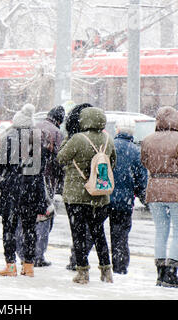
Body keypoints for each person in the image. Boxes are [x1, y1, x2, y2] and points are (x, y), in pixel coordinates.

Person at [141, 106, 178, 288]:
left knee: (161, 231)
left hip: (154, 189)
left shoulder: (148, 139)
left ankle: (160, 273)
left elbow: (145, 162)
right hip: (177, 190)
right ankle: (171, 273)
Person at [57, 106, 116, 284]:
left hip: (77, 195)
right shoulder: (108, 139)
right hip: (100, 195)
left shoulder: (77, 139)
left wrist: (68, 138)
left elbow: (61, 158)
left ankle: (82, 272)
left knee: (79, 234)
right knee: (99, 234)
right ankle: (106, 271)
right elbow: (112, 163)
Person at [0, 103, 48, 277]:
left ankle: (10, 265)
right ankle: (28, 265)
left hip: (13, 187)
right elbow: (43, 166)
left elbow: (1, 166)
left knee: (9, 227)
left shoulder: (9, 137)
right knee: (29, 228)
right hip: (33, 187)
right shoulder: (38, 138)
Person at [14, 105, 65, 267]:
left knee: (25, 216)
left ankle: (23, 251)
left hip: (26, 178)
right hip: (46, 181)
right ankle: (38, 254)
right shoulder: (57, 133)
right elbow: (59, 160)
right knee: (44, 216)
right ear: (60, 120)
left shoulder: (35, 127)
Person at [104, 117, 147, 274]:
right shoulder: (136, 151)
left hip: (104, 196)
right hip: (124, 201)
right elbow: (142, 179)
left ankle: (78, 260)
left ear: (117, 130)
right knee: (120, 236)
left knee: (93, 231)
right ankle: (120, 267)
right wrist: (143, 196)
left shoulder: (109, 146)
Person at [63, 103, 95, 271]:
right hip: (93, 188)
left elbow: (61, 159)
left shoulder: (72, 139)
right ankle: (80, 259)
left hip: (73, 190)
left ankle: (76, 258)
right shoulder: (97, 138)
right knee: (91, 228)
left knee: (77, 227)